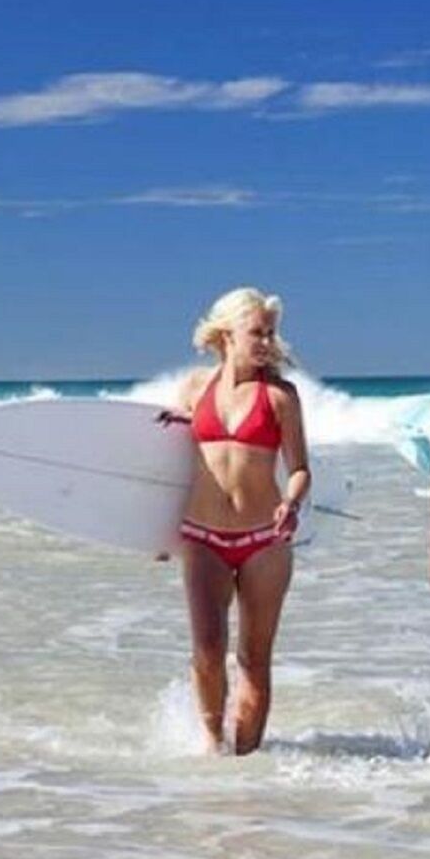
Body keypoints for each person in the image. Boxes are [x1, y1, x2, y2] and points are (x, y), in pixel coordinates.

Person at [171, 287, 311, 755]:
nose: (267, 342)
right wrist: (152, 531)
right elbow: (168, 465)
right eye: (257, 333)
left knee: (253, 659)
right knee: (208, 653)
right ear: (226, 335)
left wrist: (290, 503)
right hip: (202, 537)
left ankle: (247, 763)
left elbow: (299, 469)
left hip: (263, 541)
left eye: (271, 333)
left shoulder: (280, 397)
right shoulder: (194, 388)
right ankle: (213, 750)